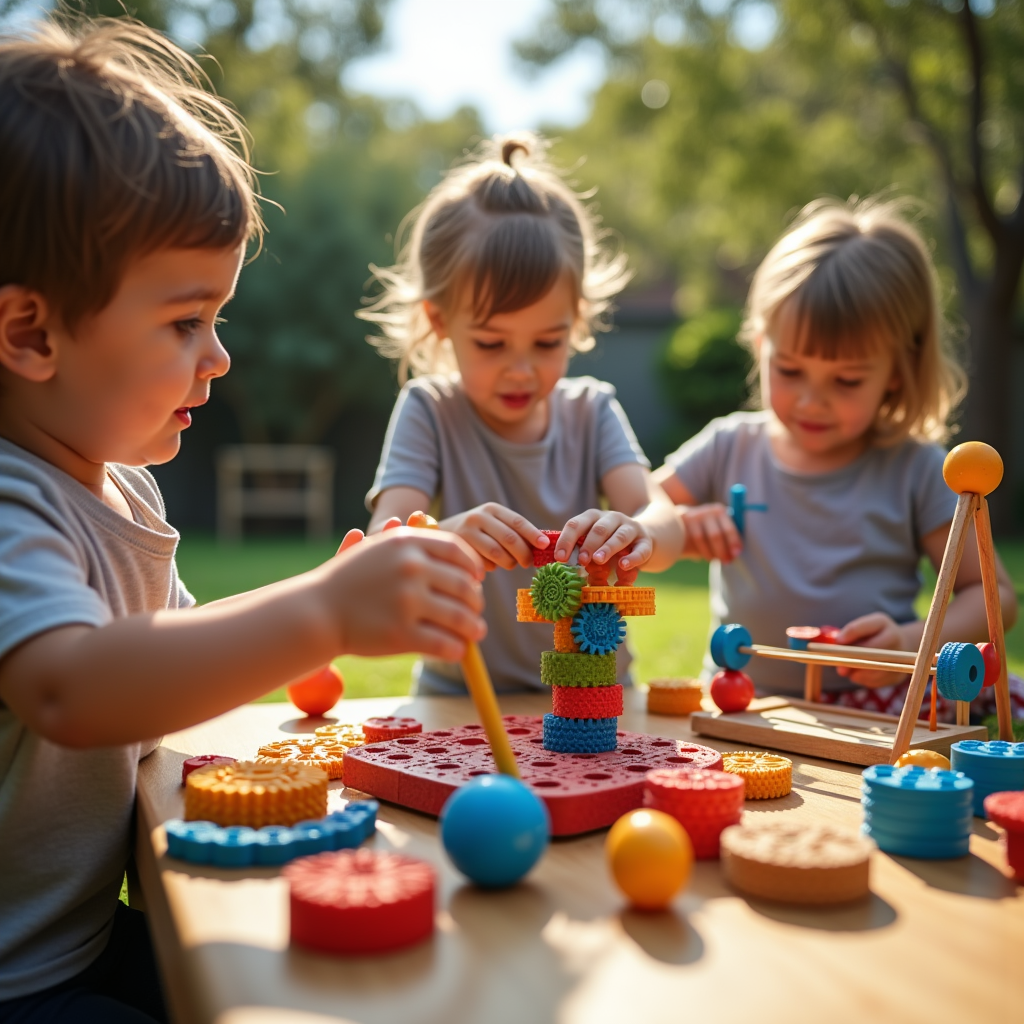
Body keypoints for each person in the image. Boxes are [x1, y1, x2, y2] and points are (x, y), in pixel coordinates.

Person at [0, 18, 486, 1022]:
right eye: (186, 322)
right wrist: (322, 611)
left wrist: (332, 593)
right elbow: (72, 688)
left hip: (77, 945)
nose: (218, 357)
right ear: (30, 331)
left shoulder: (121, 490)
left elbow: (174, 670)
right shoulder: (9, 502)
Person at [653, 197, 1018, 711]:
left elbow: (995, 599)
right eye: (790, 370)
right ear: (760, 344)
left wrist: (906, 643)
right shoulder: (727, 444)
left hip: (877, 703)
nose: (810, 400)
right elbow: (637, 511)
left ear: (896, 371)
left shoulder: (915, 468)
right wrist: (678, 526)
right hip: (743, 702)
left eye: (846, 380)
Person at [362, 134, 682, 694]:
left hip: (595, 691)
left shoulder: (592, 409)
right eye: (491, 343)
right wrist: (447, 536)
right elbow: (378, 548)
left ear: (577, 317)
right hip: (460, 696)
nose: (521, 370)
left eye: (547, 342)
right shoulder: (429, 411)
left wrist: (638, 533)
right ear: (439, 321)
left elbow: (664, 519)